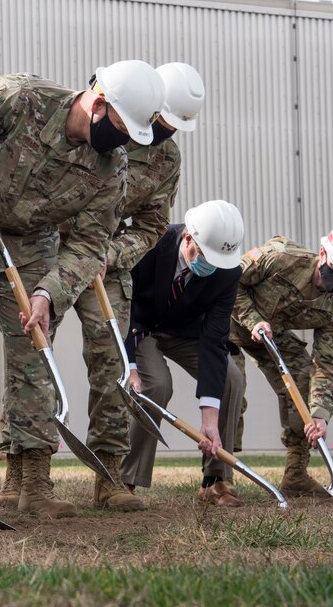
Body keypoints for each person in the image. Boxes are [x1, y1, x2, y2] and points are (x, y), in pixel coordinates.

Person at [0, 60, 165, 518]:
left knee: (33, 357)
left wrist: (48, 294)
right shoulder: (21, 98)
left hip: (32, 248)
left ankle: (31, 485)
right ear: (98, 103)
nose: (122, 143)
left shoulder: (111, 165)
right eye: (120, 129)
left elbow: (89, 242)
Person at [66, 62, 205, 511]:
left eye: (172, 126)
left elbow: (152, 225)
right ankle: (25, 478)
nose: (163, 131)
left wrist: (111, 255)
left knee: (113, 364)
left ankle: (110, 477)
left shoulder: (168, 159)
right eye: (160, 119)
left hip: (106, 261)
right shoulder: (97, 121)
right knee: (31, 354)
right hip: (49, 245)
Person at [229, 223, 333, 496]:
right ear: (322, 253)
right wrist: (252, 320)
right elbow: (227, 281)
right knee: (231, 387)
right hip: (227, 324)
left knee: (305, 382)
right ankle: (219, 479)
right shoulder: (283, 258)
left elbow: (327, 363)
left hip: (273, 335)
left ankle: (296, 475)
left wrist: (320, 415)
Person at [120, 200, 248, 508]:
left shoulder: (228, 272)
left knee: (231, 378)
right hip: (141, 327)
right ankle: (125, 480)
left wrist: (209, 419)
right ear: (188, 237)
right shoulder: (152, 243)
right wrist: (131, 365)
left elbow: (215, 338)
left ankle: (216, 480)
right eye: (204, 256)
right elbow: (123, 304)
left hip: (187, 332)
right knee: (156, 385)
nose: (210, 266)